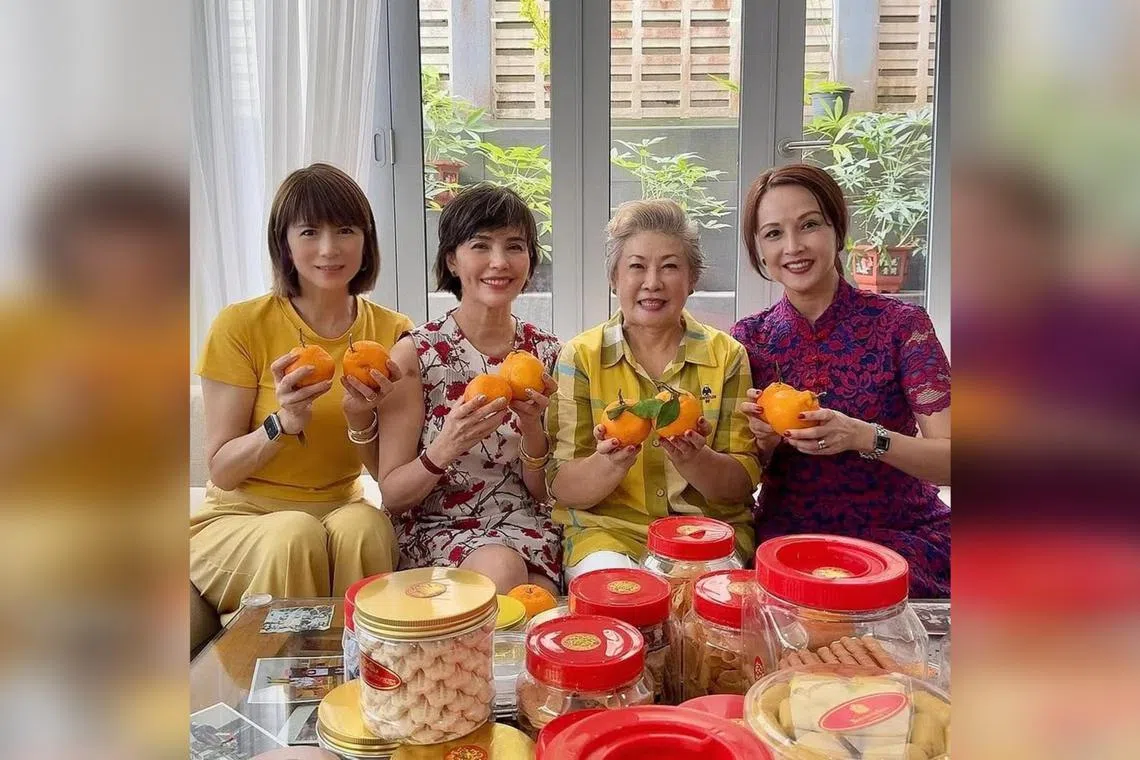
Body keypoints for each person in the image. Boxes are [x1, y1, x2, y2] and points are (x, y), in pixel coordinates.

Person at [192, 163, 411, 616]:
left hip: (340, 507)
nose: (329, 249)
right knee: (294, 533)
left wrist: (360, 417)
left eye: (345, 230)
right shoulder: (241, 325)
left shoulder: (393, 332)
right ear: (284, 243)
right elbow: (222, 471)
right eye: (309, 232)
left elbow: (388, 477)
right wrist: (283, 423)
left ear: (366, 240)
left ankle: (365, 658)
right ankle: (277, 661)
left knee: (367, 526)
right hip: (242, 517)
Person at [730, 163, 951, 597]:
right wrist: (765, 443)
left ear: (837, 230)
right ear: (759, 251)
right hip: (790, 543)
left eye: (809, 225)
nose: (793, 246)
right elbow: (738, 474)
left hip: (900, 536)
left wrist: (864, 436)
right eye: (773, 233)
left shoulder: (901, 325)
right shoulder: (749, 338)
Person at [547, 199, 761, 581]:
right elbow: (562, 484)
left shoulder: (727, 356)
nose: (652, 282)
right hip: (608, 535)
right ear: (614, 278)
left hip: (705, 536)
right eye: (637, 266)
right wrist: (610, 464)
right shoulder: (580, 356)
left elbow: (742, 483)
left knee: (700, 607)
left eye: (669, 266)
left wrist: (696, 459)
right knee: (619, 603)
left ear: (692, 279)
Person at [376, 184, 562, 594]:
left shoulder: (547, 354)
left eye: (515, 246)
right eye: (481, 245)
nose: (500, 262)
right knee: (503, 575)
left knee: (540, 601)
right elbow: (393, 495)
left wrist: (532, 427)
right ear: (451, 260)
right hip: (440, 526)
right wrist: (448, 444)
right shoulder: (416, 355)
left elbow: (544, 492)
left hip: (527, 526)